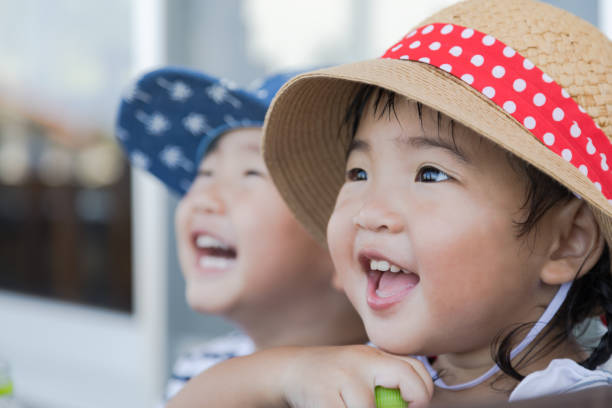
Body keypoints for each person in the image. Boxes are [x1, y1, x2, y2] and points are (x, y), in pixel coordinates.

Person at [168, 0, 612, 406]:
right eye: (358, 173)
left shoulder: (580, 398)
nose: (368, 212)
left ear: (567, 241)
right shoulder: (366, 374)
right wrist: (288, 373)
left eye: (430, 173)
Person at [115, 67, 367, 402]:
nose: (202, 197)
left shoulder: (420, 380)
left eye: (251, 172)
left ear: (349, 245)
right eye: (204, 172)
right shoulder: (201, 372)